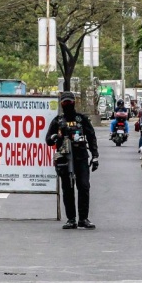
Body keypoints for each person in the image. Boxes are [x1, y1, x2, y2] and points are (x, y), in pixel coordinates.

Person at [45, 92, 99, 230]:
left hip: (81, 157)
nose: (67, 105)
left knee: (84, 186)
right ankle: (71, 219)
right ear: (61, 104)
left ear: (74, 102)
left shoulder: (81, 119)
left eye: (69, 102)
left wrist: (95, 155)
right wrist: (56, 137)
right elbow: (48, 140)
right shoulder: (58, 120)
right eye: (65, 103)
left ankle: (83, 219)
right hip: (64, 158)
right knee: (67, 189)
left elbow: (91, 136)